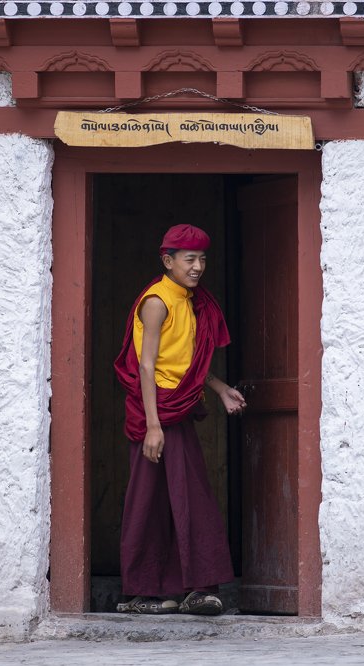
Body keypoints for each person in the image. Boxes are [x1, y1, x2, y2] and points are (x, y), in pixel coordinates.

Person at [113, 223, 247, 616]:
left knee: (191, 498)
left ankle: (197, 589)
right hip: (153, 414)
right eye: (189, 259)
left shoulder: (191, 301)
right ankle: (148, 591)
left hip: (177, 412)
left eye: (203, 258)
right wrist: (154, 426)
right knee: (147, 500)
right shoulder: (157, 300)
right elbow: (147, 364)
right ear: (168, 260)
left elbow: (187, 362)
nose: (198, 266)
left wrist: (220, 388)